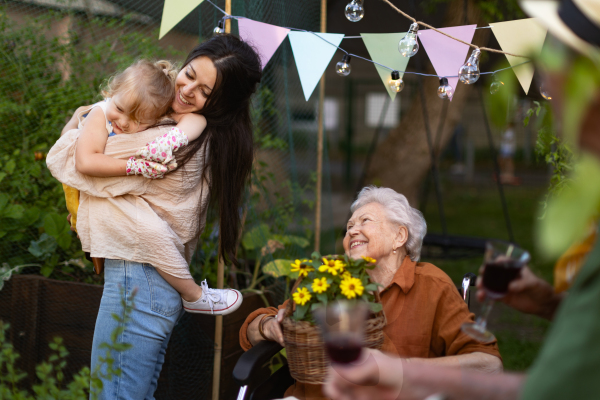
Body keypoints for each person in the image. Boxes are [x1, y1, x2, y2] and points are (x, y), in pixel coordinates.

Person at [324, 0, 600, 398]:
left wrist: (402, 374)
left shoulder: (431, 285)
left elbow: (552, 387)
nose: (546, 87)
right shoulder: (327, 279)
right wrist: (549, 303)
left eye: (557, 62)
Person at [46, 34, 262, 399]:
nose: (188, 89)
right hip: (146, 281)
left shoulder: (176, 137)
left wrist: (82, 120)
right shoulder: (172, 124)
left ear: (221, 103)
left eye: (205, 91)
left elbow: (71, 159)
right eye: (189, 73)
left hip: (140, 280)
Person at [239, 186, 502, 399]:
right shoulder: (329, 277)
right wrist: (267, 326)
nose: (352, 230)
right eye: (349, 226)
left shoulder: (432, 285)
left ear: (399, 237)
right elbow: (253, 327)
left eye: (365, 221)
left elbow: (489, 364)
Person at [59, 58, 236, 314]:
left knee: (147, 230)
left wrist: (171, 140)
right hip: (83, 196)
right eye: (119, 108)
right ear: (111, 92)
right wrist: (133, 165)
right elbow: (84, 162)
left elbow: (198, 121)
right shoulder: (101, 114)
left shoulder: (152, 110)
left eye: (138, 120)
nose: (124, 122)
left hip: (109, 197)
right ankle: (193, 295)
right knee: (151, 231)